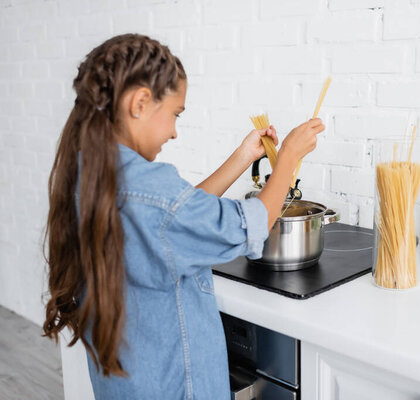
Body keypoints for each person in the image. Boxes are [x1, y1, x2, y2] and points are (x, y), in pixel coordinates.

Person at [42, 33, 324, 399]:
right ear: (141, 102)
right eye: (175, 114)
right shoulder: (149, 187)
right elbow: (251, 223)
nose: (175, 132)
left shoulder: (87, 173)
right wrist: (288, 158)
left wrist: (242, 157)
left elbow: (177, 216)